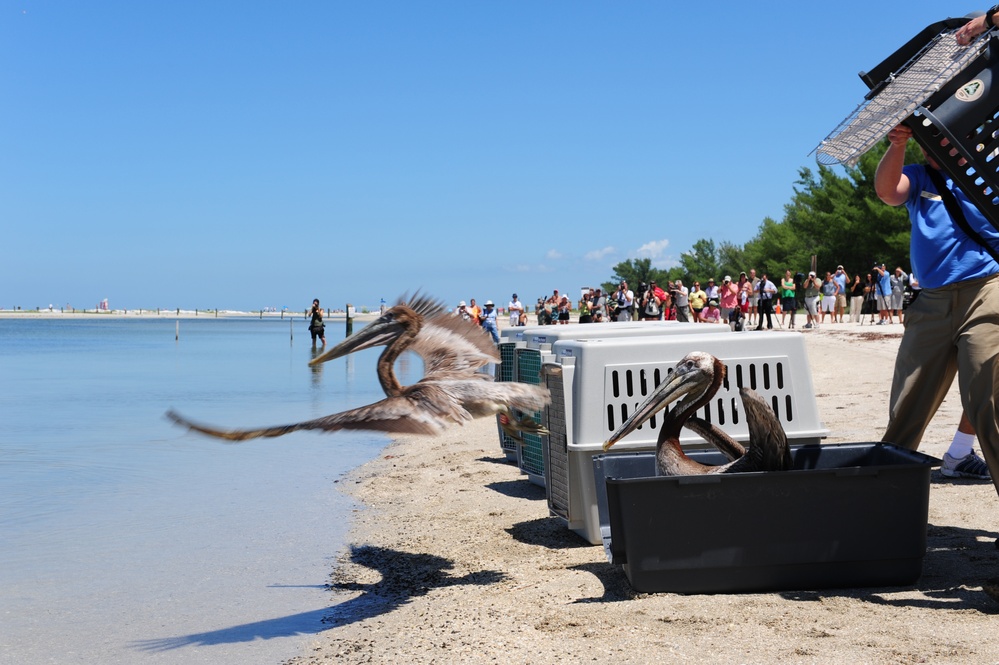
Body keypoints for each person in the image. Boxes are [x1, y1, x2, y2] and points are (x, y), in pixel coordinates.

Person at [874, 122, 998, 489]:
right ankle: (882, 505)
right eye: (928, 142)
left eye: (941, 137)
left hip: (987, 290)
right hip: (931, 301)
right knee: (907, 404)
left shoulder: (988, 175)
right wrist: (896, 145)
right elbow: (887, 191)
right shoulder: (918, 177)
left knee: (988, 402)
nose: (934, 147)